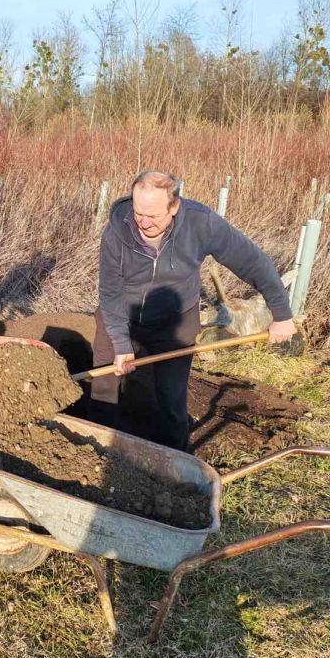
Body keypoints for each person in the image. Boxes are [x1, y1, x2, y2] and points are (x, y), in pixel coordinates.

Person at [90, 170, 296, 451]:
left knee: (171, 399)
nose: (143, 222)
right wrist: (121, 343)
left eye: (153, 216)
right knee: (103, 388)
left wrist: (282, 315)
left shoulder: (201, 223)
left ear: (174, 206)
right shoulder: (118, 228)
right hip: (120, 316)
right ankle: (98, 452)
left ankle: (177, 465)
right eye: (139, 213)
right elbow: (110, 292)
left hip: (174, 323)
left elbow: (253, 262)